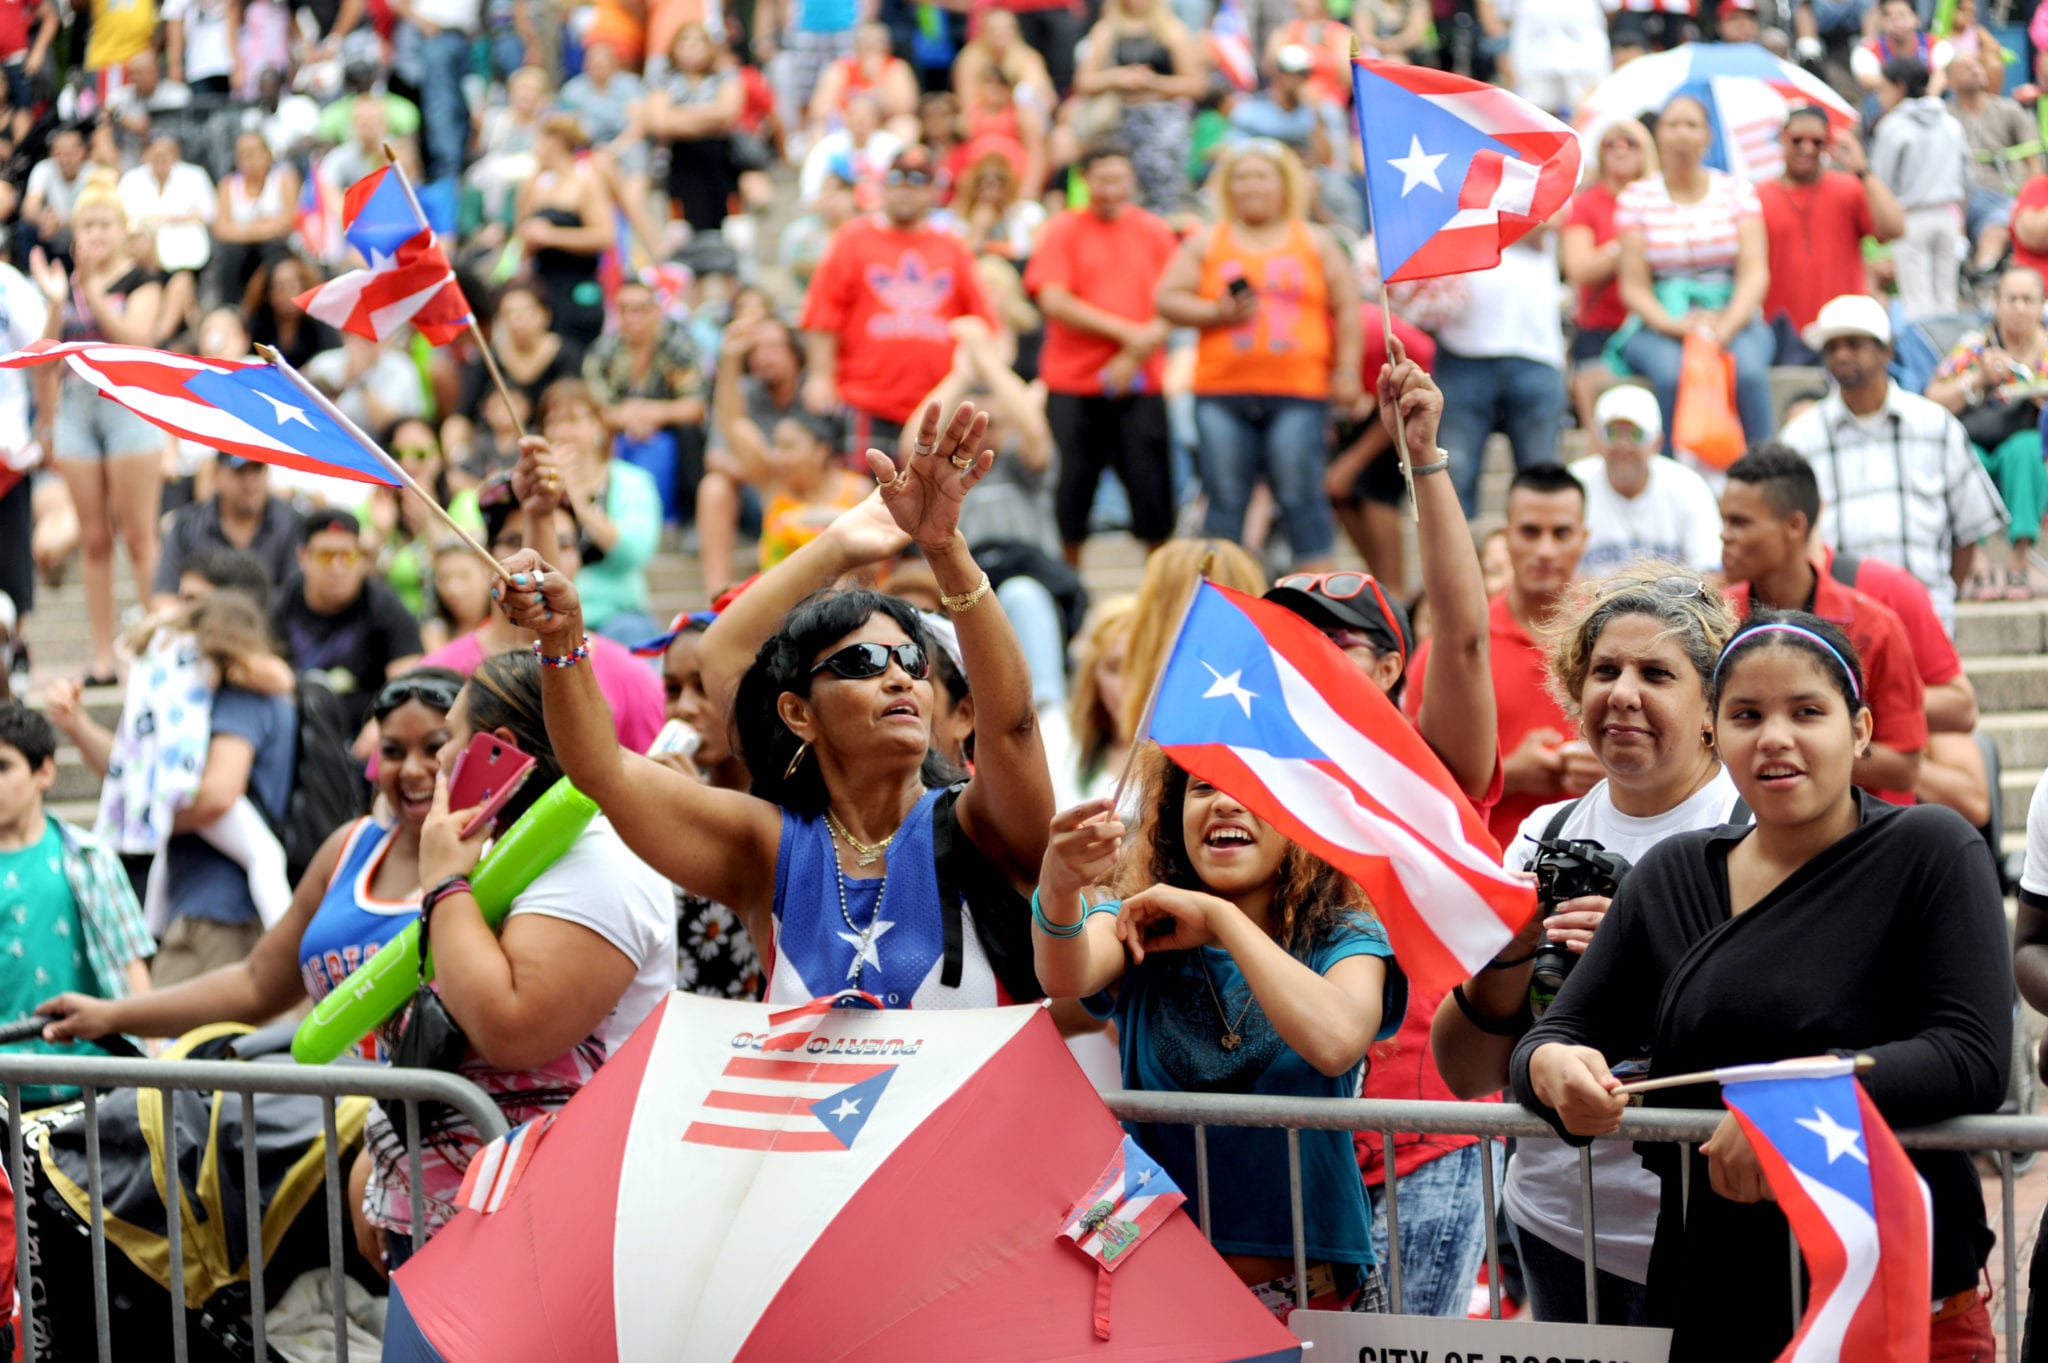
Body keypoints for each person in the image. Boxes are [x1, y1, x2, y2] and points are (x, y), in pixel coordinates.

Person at [1512, 611, 2006, 1361]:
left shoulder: (1930, 850)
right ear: (1714, 728)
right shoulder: (1671, 876)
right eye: (1747, 714)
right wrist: (1551, 1069)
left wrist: (1794, 1105)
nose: (1775, 737)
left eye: (1807, 711)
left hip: (1893, 1301)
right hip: (1718, 1294)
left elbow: (1971, 1053)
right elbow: (1556, 1036)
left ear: (1862, 728)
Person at [495, 400, 1055, 1010]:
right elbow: (602, 766)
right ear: (798, 714)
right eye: (862, 663)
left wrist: (945, 550)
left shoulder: (984, 827)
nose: (898, 677)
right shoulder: (767, 847)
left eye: (912, 662)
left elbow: (1015, 728)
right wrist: (562, 637)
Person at [1432, 568, 1743, 1325]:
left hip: (1719, 1222)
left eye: (1656, 672)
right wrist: (1509, 952)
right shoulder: (1545, 834)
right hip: (1559, 1220)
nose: (1623, 692)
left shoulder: (1757, 830)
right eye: (1604, 670)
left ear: (1711, 708)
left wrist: (1641, 953)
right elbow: (1465, 1067)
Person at [1267, 338, 1504, 1319]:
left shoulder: (1422, 770)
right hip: (1279, 1140)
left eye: (1343, 645)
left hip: (1418, 1138)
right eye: (1292, 642)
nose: (1313, 661)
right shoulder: (1236, 789)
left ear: (1392, 672)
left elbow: (1463, 627)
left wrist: (1424, 460)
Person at [1032, 762, 1404, 1318]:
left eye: (1251, 787)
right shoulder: (1141, 920)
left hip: (1313, 1297)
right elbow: (1065, 975)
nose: (1225, 801)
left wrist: (1222, 920)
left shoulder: (1344, 935)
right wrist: (1058, 887)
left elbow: (1336, 1042)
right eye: (1203, 787)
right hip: (1159, 1289)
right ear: (1173, 818)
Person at [1155, 140, 1362, 574]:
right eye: (1242, 177)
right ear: (1228, 187)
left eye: (1261, 176)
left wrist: (1346, 371)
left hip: (1300, 391)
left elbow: (1347, 310)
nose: (1252, 185)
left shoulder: (1316, 240)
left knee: (1301, 494)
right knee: (1225, 497)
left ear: (1283, 185)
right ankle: (1226, 596)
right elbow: (1167, 299)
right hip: (1221, 390)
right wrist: (1216, 313)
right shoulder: (1208, 242)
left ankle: (1319, 596)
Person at [1778, 293, 2007, 632]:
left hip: (1924, 616)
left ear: (1886, 351)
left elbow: (1967, 534)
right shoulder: (1800, 437)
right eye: (1831, 347)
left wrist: (1938, 597)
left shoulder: (1935, 425)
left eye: (1853, 344)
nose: (1841, 354)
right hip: (1833, 626)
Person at [1718, 447, 1927, 801]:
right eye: (1723, 520)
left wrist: (1794, 760)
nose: (1725, 535)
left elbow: (1904, 766)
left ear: (1794, 526)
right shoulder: (1714, 619)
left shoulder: (1875, 625)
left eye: (1740, 522)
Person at [27, 174, 165, 685]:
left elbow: (136, 337)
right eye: (88, 224)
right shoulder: (64, 283)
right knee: (92, 538)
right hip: (76, 410)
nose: (97, 233)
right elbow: (45, 355)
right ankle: (104, 655)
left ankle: (154, 647)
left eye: (106, 223)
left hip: (127, 403)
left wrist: (89, 290)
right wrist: (58, 300)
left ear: (123, 229)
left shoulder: (142, 279)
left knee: (138, 535)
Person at [1406, 464, 1589, 848]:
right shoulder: (1453, 650)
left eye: (1561, 533)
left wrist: (1615, 771)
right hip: (1489, 874)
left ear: (1584, 539)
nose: (1545, 550)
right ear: (1506, 538)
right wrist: (1507, 775)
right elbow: (1410, 783)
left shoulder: (1617, 637)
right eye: (1530, 532)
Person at [420, 472, 664, 753]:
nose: (537, 558)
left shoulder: (632, 679)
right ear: (485, 557)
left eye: (563, 544)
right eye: (515, 542)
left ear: (581, 557)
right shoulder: (436, 673)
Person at [1024, 140, 1177, 567]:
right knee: (1070, 495)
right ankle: (1069, 591)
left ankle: (1159, 591)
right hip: (1073, 382)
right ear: (1085, 181)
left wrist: (1135, 350)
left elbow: (1177, 300)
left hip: (1141, 384)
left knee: (1154, 496)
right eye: (1103, 178)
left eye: (1120, 178)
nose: (1111, 188)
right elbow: (1054, 299)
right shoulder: (1062, 230)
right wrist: (1129, 334)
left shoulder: (1154, 230)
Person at [800, 145, 996, 454]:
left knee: (934, 500)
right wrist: (820, 376)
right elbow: (823, 315)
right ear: (883, 186)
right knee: (867, 499)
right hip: (865, 400)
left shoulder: (953, 248)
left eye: (918, 182)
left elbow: (983, 324)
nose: (906, 190)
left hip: (937, 408)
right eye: (898, 180)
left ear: (934, 190)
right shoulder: (852, 239)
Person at [0, 703, 152, 1100]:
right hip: (5, 1090)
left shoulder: (90, 857)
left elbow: (131, 964)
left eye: (3, 767)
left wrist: (151, 1063)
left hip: (93, 1082)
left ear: (45, 772)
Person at [1613, 94, 1776, 447]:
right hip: (1661, 319)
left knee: (1747, 373)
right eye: (1672, 125)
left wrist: (1726, 325)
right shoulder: (1635, 198)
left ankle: (1765, 469)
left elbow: (1755, 272)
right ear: (1657, 135)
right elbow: (1634, 286)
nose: (1682, 134)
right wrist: (1674, 326)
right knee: (1671, 376)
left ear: (1708, 136)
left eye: (1692, 125)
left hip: (1733, 316)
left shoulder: (1738, 192)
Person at [632, 611, 760, 998]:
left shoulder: (789, 809)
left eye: (703, 688)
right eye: (672, 690)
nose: (684, 708)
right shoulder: (662, 794)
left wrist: (699, 812)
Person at [1925, 267, 2048, 600]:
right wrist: (1977, 379)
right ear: (1996, 303)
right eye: (2012, 299)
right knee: (1966, 457)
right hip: (1979, 441)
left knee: (2028, 450)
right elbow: (1932, 398)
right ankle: (1977, 561)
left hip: (2027, 445)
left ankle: (2019, 559)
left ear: (2041, 305)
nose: (2019, 308)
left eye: (2028, 300)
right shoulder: (1976, 345)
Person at [1755, 106, 1901, 365]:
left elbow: (1894, 229)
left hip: (1843, 334)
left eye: (1817, 141)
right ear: (1782, 138)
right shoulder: (1757, 197)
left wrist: (1862, 169)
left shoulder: (1849, 188)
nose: (1807, 148)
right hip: (1783, 337)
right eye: (1797, 140)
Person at [530, 379, 663, 644]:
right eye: (554, 422)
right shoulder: (533, 489)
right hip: (547, 616)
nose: (563, 432)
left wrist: (577, 499)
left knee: (632, 633)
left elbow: (634, 552)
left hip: (615, 617)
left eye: (574, 421)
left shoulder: (631, 482)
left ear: (598, 426)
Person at [580, 279, 708, 528]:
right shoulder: (603, 350)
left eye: (640, 309)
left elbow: (696, 406)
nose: (632, 317)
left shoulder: (677, 347)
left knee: (691, 433)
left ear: (656, 311)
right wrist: (627, 418)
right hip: (618, 430)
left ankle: (689, 518)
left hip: (668, 430)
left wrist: (652, 413)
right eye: (624, 309)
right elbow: (593, 404)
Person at [1569, 384, 1723, 577]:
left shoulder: (1689, 487)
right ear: (1596, 439)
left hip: (1671, 605)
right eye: (1612, 433)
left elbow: (1711, 572)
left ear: (1658, 442)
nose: (1623, 445)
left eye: (1636, 435)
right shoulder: (1574, 487)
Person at [1071, 0, 1206, 215]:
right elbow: (1084, 81)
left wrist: (1152, 82)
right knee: (1117, 188)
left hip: (1162, 122)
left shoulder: (1171, 30)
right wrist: (1117, 77)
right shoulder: (1107, 29)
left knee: (1161, 193)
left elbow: (1196, 84)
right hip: (1119, 119)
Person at [1563, 119, 1656, 431]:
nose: (1621, 150)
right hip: (1601, 328)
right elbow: (1579, 269)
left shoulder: (1659, 199)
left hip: (1653, 326)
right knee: (1603, 424)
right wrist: (1623, 246)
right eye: (1610, 143)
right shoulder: (1587, 203)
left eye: (1630, 142)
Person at [1869, 57, 1969, 321]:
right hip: (1948, 217)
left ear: (1900, 87)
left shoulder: (1892, 126)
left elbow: (1879, 181)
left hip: (1909, 219)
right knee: (1946, 300)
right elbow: (1966, 175)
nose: (1879, 96)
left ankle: (1926, 361)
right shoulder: (1951, 123)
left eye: (1883, 88)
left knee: (1917, 304)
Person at [513, 115, 613, 363]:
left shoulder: (586, 181)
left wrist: (552, 236)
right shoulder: (533, 185)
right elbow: (520, 236)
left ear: (555, 142)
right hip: (544, 285)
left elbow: (604, 235)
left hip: (578, 284)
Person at [149, 452, 304, 612]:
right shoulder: (185, 526)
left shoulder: (292, 525)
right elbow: (164, 597)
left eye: (257, 469)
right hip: (201, 628)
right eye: (240, 471)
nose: (250, 481)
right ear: (217, 474)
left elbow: (297, 597)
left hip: (270, 630)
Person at [1948, 45, 2039, 281]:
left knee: (1996, 228)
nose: (1975, 70)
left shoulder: (2008, 110)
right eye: (1965, 67)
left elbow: (2033, 159)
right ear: (1951, 81)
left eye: (1976, 65)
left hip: (1996, 192)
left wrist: (2032, 200)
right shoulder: (1944, 116)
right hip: (1954, 195)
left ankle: (1981, 273)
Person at [644, 25, 743, 238]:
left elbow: (727, 112)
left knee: (728, 225)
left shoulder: (724, 76)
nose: (692, 48)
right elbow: (659, 122)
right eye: (685, 43)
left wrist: (679, 113)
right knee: (683, 227)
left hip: (719, 159)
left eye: (698, 42)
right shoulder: (665, 79)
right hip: (681, 160)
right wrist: (709, 119)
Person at [210, 130, 299, 308]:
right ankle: (229, 308)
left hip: (275, 247)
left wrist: (242, 228)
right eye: (243, 154)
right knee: (230, 254)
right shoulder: (228, 185)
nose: (248, 159)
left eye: (253, 152)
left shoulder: (283, 179)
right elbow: (221, 230)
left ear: (267, 154)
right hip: (240, 250)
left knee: (273, 252)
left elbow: (288, 222)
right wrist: (264, 226)